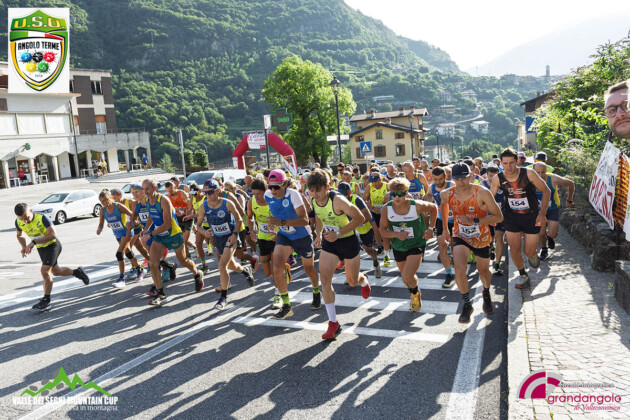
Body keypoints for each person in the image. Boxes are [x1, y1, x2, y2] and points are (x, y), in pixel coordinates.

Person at [308, 171, 372, 340]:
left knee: (352, 281)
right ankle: (333, 322)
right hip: (330, 242)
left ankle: (364, 280)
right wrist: (318, 234)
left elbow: (360, 218)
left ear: (327, 187)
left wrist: (339, 233)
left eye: (318, 190)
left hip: (348, 241)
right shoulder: (314, 200)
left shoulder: (338, 200)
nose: (315, 194)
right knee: (325, 281)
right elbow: (319, 216)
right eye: (311, 190)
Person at [441, 163, 504, 323]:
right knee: (459, 270)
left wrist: (475, 220)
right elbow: (443, 206)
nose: (461, 182)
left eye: (464, 178)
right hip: (460, 234)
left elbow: (498, 217)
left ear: (470, 176)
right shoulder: (446, 194)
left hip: (481, 236)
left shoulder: (482, 192)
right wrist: (445, 229)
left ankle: (486, 292)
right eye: (457, 179)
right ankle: (467, 304)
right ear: (452, 179)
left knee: (483, 271)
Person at [491, 148, 550, 289]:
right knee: (514, 248)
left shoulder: (528, 174)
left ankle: (533, 255)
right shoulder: (498, 178)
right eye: (505, 163)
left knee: (529, 251)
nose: (509, 167)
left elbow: (546, 191)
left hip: (531, 216)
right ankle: (523, 274)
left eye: (511, 163)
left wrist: (542, 214)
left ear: (517, 161)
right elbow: (489, 197)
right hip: (511, 217)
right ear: (501, 163)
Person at [265, 169, 321, 319]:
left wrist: (281, 222)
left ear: (284, 184)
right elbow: (274, 210)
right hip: (285, 235)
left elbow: (304, 220)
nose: (273, 190)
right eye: (270, 186)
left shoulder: (293, 195)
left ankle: (316, 291)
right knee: (276, 267)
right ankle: (286, 306)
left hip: (302, 236)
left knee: (308, 268)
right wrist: (272, 222)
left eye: (276, 186)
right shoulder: (268, 195)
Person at [140, 178, 204, 306]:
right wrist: (145, 229)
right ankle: (160, 294)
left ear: (155, 188)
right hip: (160, 236)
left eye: (147, 189)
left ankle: (197, 274)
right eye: (143, 189)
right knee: (153, 263)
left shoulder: (164, 200)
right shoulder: (147, 200)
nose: (145, 192)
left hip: (173, 234)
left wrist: (150, 234)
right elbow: (151, 215)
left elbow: (167, 224)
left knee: (183, 261)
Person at [14, 203, 89, 311]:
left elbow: (53, 234)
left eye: (27, 218)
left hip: (53, 245)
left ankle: (46, 300)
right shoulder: (18, 222)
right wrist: (24, 246)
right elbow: (19, 235)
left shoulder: (41, 218)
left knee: (45, 271)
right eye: (22, 219)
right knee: (56, 271)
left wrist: (33, 242)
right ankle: (78, 272)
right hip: (41, 248)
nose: (25, 221)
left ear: (30, 211)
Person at [380, 178, 437, 312]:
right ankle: (414, 292)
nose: (397, 197)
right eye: (393, 194)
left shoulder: (416, 205)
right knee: (406, 278)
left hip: (416, 243)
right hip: (399, 246)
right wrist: (396, 235)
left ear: (406, 193)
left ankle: (415, 295)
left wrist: (431, 228)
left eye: (400, 194)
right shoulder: (386, 208)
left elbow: (434, 208)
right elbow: (382, 230)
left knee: (407, 275)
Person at [197, 179, 254, 310]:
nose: (208, 195)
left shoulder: (227, 203)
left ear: (218, 191)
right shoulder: (203, 206)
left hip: (230, 238)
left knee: (222, 266)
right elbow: (198, 226)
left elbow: (239, 219)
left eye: (210, 192)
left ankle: (223, 297)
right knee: (231, 265)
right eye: (205, 193)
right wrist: (204, 232)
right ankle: (245, 270)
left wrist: (234, 234)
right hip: (217, 239)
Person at [247, 178, 291, 309]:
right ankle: (284, 269)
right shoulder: (251, 201)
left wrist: (280, 230)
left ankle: (278, 295)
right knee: (267, 273)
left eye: (259, 193)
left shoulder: (274, 200)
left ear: (265, 191)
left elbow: (286, 217)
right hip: (262, 238)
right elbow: (249, 217)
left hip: (277, 238)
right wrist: (251, 230)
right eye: (254, 193)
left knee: (275, 270)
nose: (256, 196)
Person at [97, 190, 144, 288]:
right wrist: (99, 229)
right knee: (128, 252)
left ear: (110, 198)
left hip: (126, 232)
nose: (103, 203)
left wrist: (132, 222)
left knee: (119, 254)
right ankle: (140, 269)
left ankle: (121, 279)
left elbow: (132, 215)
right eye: (101, 201)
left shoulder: (118, 206)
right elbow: (101, 223)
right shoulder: (103, 210)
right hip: (117, 234)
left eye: (105, 200)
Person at [533, 163, 575, 260]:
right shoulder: (529, 179)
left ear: (546, 171)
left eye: (542, 172)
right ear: (533, 172)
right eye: (537, 173)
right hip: (538, 210)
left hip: (552, 208)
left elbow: (571, 183)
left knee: (553, 234)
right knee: (541, 233)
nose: (540, 175)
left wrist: (569, 200)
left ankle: (550, 237)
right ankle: (544, 249)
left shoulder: (553, 179)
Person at [428, 167, 455, 287]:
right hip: (441, 219)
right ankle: (449, 274)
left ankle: (455, 261)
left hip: (455, 220)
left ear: (445, 177)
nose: (438, 182)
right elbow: (429, 195)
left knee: (454, 245)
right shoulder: (432, 187)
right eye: (436, 179)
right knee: (442, 245)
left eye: (440, 179)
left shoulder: (452, 185)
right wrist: (429, 204)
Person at [482, 165, 506, 275]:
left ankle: (497, 263)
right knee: (490, 238)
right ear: (486, 175)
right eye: (490, 176)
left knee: (499, 237)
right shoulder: (482, 186)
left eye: (495, 175)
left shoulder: (504, 184)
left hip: (501, 215)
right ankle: (491, 247)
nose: (493, 178)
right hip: (487, 217)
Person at [165, 181, 194, 259]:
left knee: (184, 240)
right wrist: (174, 211)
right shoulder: (168, 197)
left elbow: (190, 206)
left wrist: (181, 209)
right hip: (178, 220)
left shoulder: (182, 193)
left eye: (171, 191)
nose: (170, 193)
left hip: (187, 218)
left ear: (175, 187)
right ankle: (190, 252)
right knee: (182, 240)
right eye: (168, 191)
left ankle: (187, 256)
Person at [363, 172, 388, 262]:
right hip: (374, 210)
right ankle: (380, 246)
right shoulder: (369, 187)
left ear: (380, 180)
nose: (374, 184)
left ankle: (387, 245)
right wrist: (372, 208)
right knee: (375, 228)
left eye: (376, 182)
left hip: (385, 210)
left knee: (384, 228)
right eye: (372, 182)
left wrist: (383, 208)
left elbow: (392, 198)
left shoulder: (387, 186)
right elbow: (364, 200)